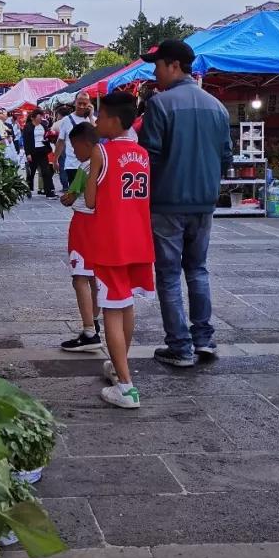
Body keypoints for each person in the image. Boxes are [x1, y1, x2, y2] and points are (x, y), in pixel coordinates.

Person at [139, 40, 232, 368]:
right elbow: (226, 158)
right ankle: (204, 339)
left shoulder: (160, 105)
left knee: (167, 274)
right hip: (204, 202)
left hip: (167, 202)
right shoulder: (217, 107)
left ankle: (180, 345)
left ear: (173, 65)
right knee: (198, 268)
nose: (155, 72)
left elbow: (148, 158)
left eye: (158, 65)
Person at [83, 92, 155, 408]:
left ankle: (126, 386)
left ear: (114, 119)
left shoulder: (101, 151)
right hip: (139, 239)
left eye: (99, 116)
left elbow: (90, 201)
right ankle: (119, 366)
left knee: (112, 309)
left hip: (112, 242)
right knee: (125, 306)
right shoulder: (142, 153)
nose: (95, 122)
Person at [60, 121, 101, 352]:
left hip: (84, 226)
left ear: (85, 144)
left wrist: (66, 199)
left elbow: (70, 197)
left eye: (75, 148)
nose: (74, 153)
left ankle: (88, 331)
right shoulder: (106, 163)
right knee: (94, 277)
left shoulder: (86, 168)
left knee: (80, 277)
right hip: (100, 225)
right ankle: (94, 322)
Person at [54, 92, 95, 192]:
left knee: (88, 196)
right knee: (76, 197)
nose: (81, 106)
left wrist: (90, 117)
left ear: (89, 104)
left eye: (84, 104)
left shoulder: (93, 120)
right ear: (75, 102)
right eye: (79, 103)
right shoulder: (66, 120)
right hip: (72, 165)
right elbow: (60, 141)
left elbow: (97, 139)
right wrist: (55, 160)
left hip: (90, 165)